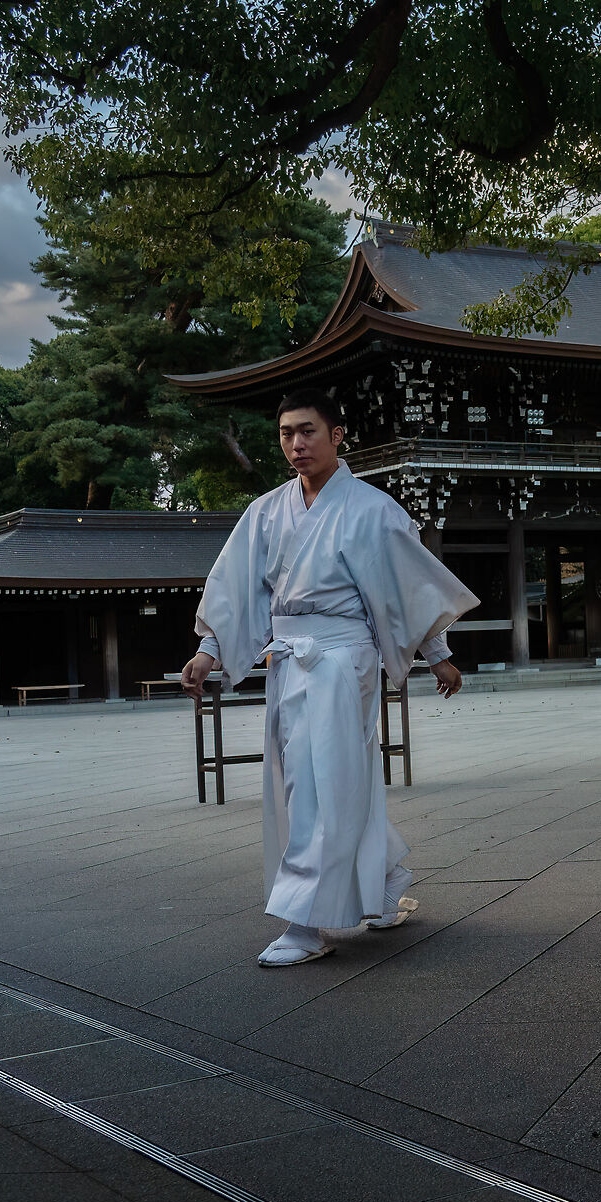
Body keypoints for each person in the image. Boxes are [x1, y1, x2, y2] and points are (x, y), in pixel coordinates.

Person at [184, 391, 477, 967]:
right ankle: (386, 882)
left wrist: (437, 652)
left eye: (309, 431)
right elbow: (239, 588)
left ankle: (307, 923)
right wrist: (209, 648)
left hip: (344, 660)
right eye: (287, 433)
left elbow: (405, 591)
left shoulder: (373, 510)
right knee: (317, 781)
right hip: (288, 656)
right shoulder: (265, 512)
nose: (297, 444)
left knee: (319, 786)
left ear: (338, 435)